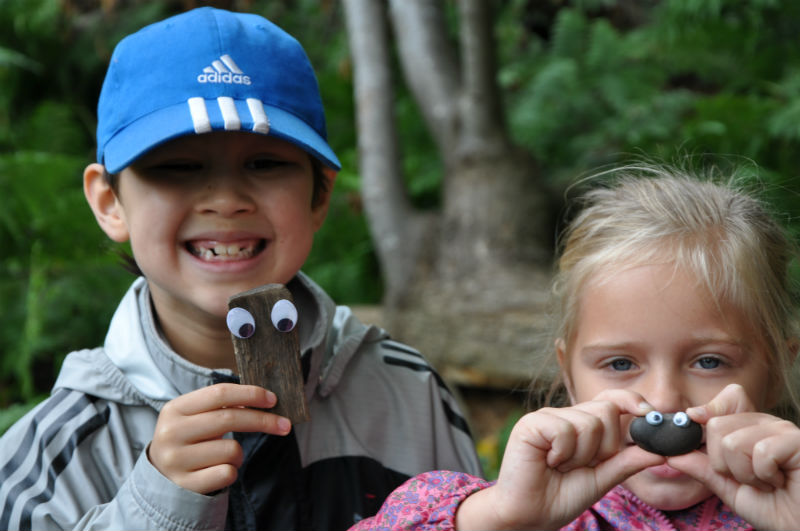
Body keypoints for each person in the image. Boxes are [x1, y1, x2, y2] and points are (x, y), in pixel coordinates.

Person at [0, 7, 481, 531]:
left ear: (320, 194)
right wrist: (155, 507)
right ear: (109, 201)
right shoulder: (51, 456)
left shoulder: (406, 393)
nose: (226, 200)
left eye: (265, 163)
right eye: (178, 167)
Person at [352, 165, 800, 531]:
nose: (662, 401)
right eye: (620, 363)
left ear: (778, 368)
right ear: (568, 373)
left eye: (709, 361)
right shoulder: (528, 515)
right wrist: (498, 516)